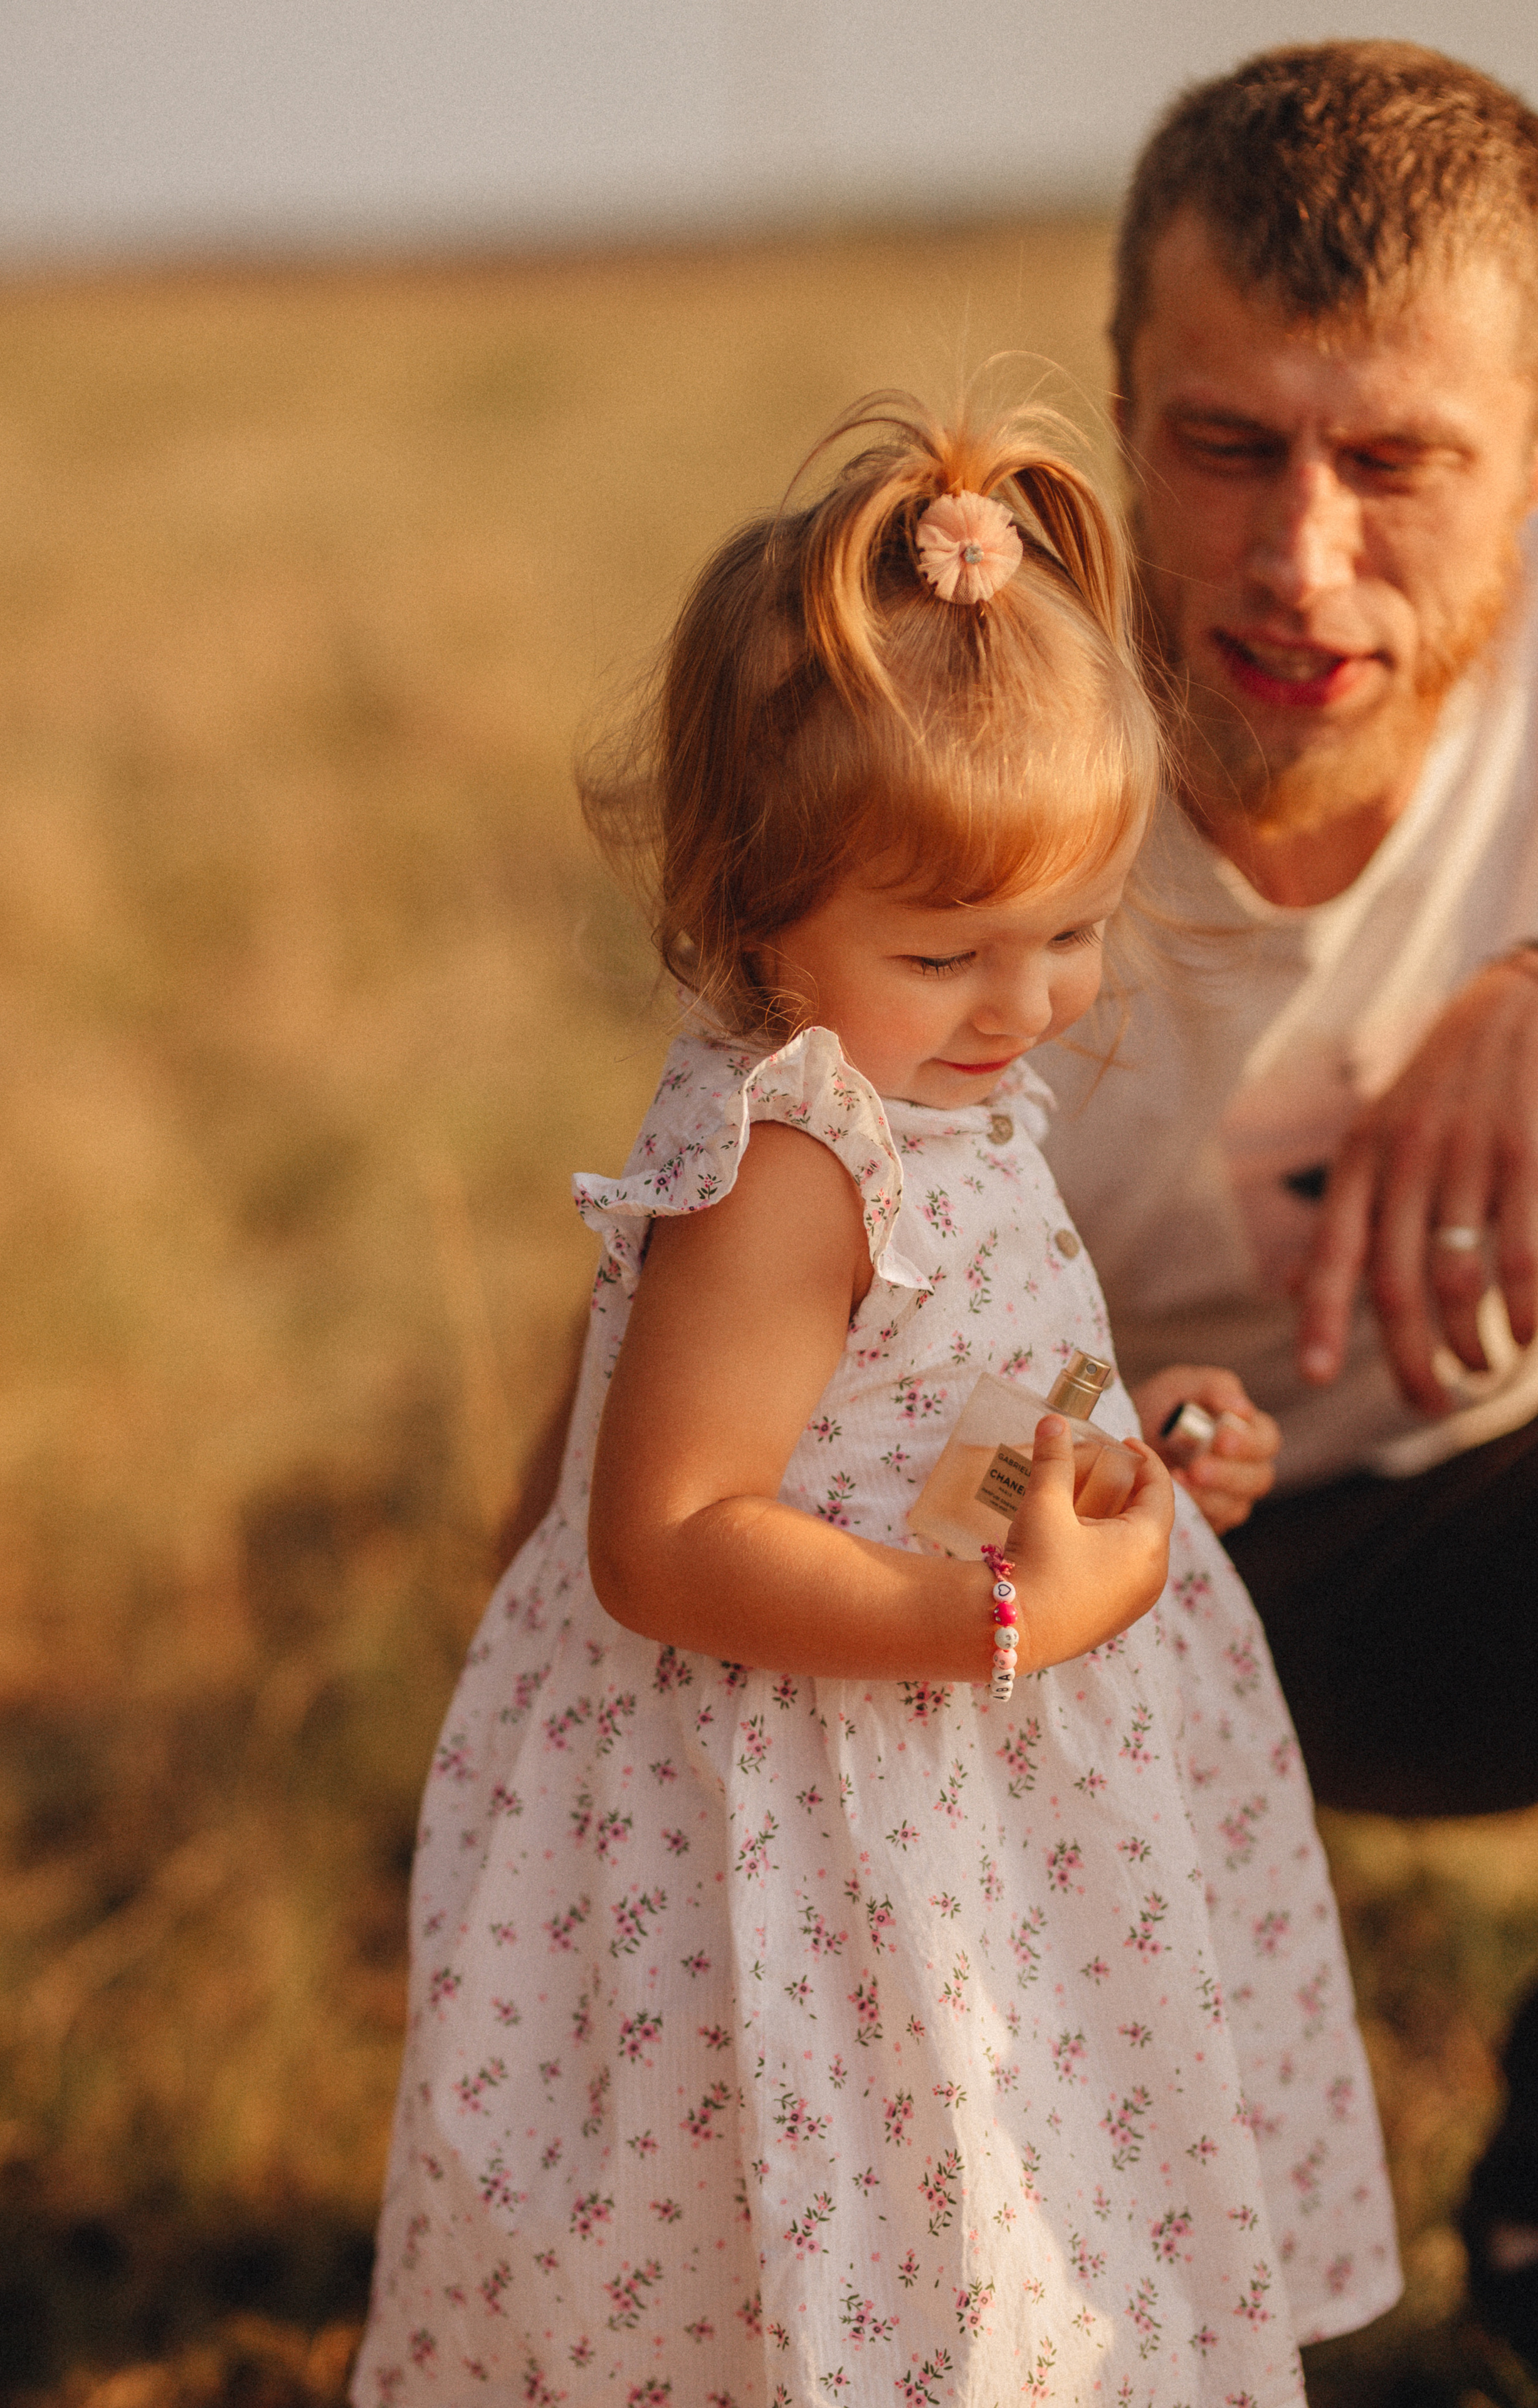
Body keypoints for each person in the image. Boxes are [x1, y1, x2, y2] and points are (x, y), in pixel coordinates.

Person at [352, 399, 1398, 2405]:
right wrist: (1001, 1619)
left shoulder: (926, 1087)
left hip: (941, 1800)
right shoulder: (788, 1160)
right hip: (804, 1825)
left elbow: (937, 1393)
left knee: (1013, 2215)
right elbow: (659, 1542)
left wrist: (1128, 1438)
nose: (1023, 1010)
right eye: (947, 954)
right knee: (849, 2245)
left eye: (1075, 935)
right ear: (755, 907)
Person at [1036, 41, 1538, 1824]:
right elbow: (703, 1314)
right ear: (1116, 419)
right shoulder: (966, 773)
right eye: (1230, 448)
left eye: (1396, 463)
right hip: (1063, 1581)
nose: (1302, 563)